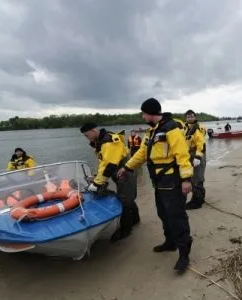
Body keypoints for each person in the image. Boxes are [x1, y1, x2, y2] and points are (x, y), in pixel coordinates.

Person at [117, 97, 194, 273]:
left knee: (176, 216)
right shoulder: (151, 133)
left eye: (144, 113)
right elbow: (142, 154)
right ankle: (170, 242)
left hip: (172, 181)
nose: (143, 116)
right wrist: (126, 167)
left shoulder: (172, 129)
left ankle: (184, 253)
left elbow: (182, 155)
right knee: (163, 213)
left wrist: (186, 179)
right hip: (159, 182)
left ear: (151, 113)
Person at [80, 122, 140, 241]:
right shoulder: (101, 142)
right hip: (119, 172)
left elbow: (109, 165)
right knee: (127, 197)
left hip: (125, 172)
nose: (87, 138)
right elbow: (104, 163)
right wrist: (97, 177)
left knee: (124, 200)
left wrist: (97, 183)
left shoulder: (109, 141)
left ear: (93, 131)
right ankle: (135, 219)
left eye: (87, 135)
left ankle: (125, 229)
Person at [183, 109, 207, 210]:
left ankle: (197, 202)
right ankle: (200, 197)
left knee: (197, 178)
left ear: (195, 117)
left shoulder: (197, 128)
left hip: (198, 154)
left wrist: (197, 157)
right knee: (194, 177)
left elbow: (201, 144)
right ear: (186, 118)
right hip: (189, 154)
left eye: (192, 116)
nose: (190, 118)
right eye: (188, 117)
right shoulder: (185, 129)